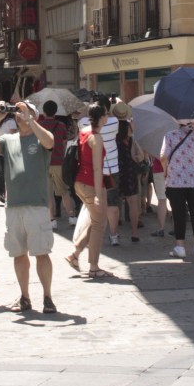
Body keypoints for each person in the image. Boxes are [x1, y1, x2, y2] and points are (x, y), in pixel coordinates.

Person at [0, 99, 57, 313]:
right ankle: (24, 296)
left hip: (37, 205)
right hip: (14, 205)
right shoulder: (8, 138)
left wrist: (31, 121)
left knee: (41, 252)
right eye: (16, 111)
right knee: (18, 253)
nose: (18, 114)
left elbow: (50, 141)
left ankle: (47, 297)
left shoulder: (39, 136)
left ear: (34, 114)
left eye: (23, 110)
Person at [65, 102, 113, 278]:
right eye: (106, 114)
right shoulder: (96, 138)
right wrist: (100, 194)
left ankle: (75, 255)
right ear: (101, 117)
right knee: (99, 224)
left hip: (80, 183)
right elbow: (97, 169)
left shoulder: (84, 132)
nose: (108, 116)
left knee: (94, 221)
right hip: (91, 184)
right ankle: (93, 266)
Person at [161, 119, 194, 259]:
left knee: (178, 214)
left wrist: (165, 172)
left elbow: (163, 156)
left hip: (176, 181)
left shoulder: (170, 135)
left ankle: (180, 247)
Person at [38, 100, 76, 229]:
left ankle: (52, 219)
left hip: (43, 163)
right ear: (56, 112)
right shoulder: (61, 126)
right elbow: (65, 142)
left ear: (44, 112)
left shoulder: (40, 125)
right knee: (64, 191)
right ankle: (71, 217)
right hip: (58, 161)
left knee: (48, 193)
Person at [112, 101, 141, 242]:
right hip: (129, 167)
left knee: (115, 202)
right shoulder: (130, 128)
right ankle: (135, 233)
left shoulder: (111, 128)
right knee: (133, 201)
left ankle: (115, 234)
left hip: (115, 167)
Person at [99, 94, 121, 245]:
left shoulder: (86, 123)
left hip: (95, 170)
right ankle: (114, 236)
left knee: (96, 204)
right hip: (112, 169)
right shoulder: (114, 122)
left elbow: (81, 116)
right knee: (113, 203)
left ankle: (97, 234)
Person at [149, 156, 168, 237]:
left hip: (160, 170)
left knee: (162, 200)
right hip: (175, 169)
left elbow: (159, 156)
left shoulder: (156, 142)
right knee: (175, 199)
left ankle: (161, 229)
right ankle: (177, 229)